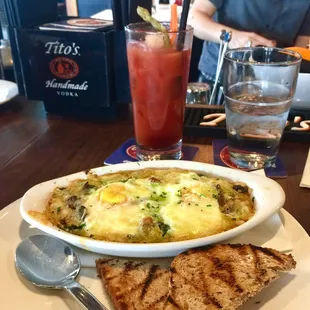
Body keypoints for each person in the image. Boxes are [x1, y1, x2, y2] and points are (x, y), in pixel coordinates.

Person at [191, 0, 310, 84]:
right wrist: (233, 37)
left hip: (274, 83)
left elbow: (301, 46)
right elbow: (194, 18)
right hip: (220, 76)